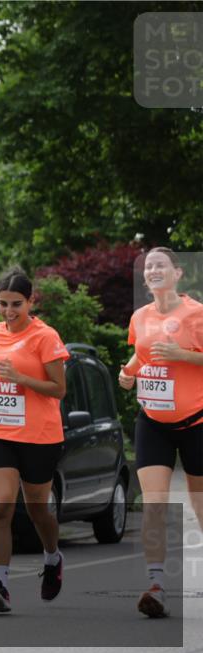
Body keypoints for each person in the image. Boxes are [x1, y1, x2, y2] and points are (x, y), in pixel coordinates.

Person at [0, 267, 69, 613]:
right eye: (2, 304)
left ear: (31, 300)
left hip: (38, 436)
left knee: (38, 509)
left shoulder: (46, 337)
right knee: (1, 507)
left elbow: (59, 389)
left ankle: (52, 557)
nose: (8, 311)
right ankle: (0, 585)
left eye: (16, 304)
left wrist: (22, 377)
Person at [117, 247, 203, 619]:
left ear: (177, 273)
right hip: (152, 421)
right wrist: (129, 372)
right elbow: (143, 352)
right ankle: (156, 585)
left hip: (196, 422)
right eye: (148, 265)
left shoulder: (197, 314)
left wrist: (185, 356)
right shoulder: (140, 316)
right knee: (154, 501)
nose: (152, 269)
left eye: (160, 265)